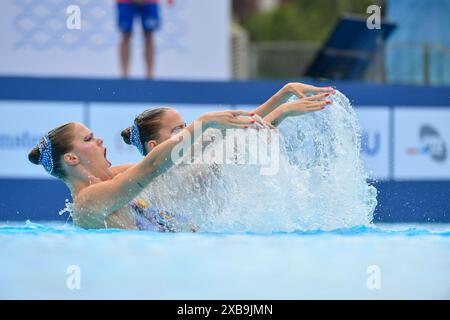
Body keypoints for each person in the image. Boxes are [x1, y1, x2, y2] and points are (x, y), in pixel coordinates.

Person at [28, 110, 259, 231]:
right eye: (89, 139)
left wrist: (278, 106)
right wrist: (202, 124)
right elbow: (152, 166)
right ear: (71, 158)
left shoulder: (117, 176)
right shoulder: (86, 202)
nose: (99, 140)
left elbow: (180, 161)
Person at [121, 82, 335, 156]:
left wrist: (284, 93)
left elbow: (244, 124)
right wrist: (281, 112)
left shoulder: (192, 155)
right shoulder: (173, 174)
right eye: (178, 131)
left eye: (186, 126)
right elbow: (246, 139)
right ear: (154, 146)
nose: (189, 132)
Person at [116, 0, 173, 78]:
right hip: (125, 2)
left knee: (149, 35)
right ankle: (124, 74)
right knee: (126, 35)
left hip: (149, 2)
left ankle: (150, 74)